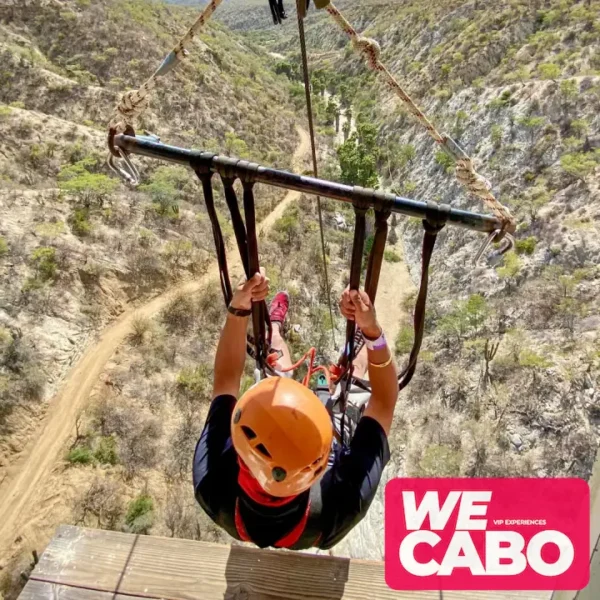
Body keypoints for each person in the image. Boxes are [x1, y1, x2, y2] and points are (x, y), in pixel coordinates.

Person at [193, 268, 399, 550]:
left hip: (303, 445)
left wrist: (238, 308)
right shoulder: (342, 505)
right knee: (360, 370)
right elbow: (384, 401)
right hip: (323, 441)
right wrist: (373, 332)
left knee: (276, 356)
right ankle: (358, 350)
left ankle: (275, 328)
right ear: (321, 468)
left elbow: (225, 381)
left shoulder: (212, 482)